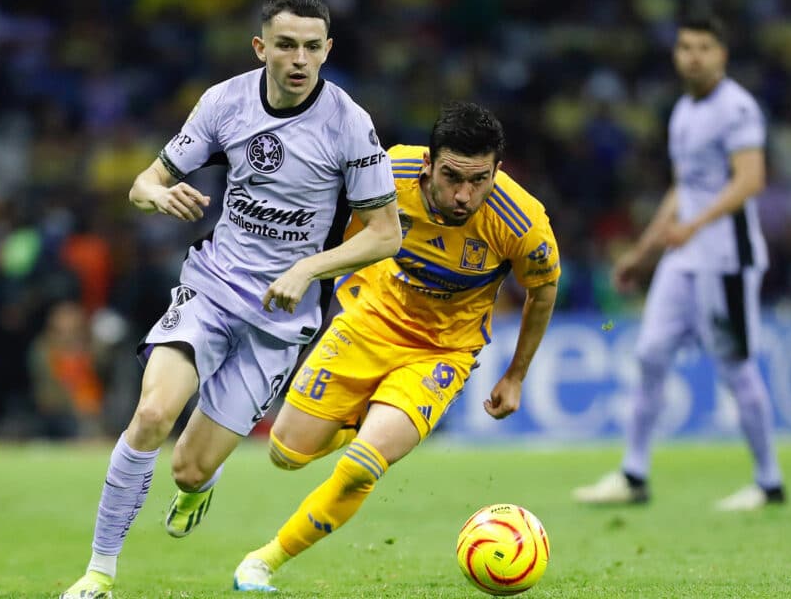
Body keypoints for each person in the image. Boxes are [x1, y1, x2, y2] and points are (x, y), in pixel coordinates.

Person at [61, 1, 402, 597]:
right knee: (151, 414)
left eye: (313, 47)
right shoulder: (225, 103)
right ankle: (99, 571)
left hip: (280, 319)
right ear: (260, 47)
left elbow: (386, 233)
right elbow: (146, 180)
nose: (300, 59)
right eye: (287, 44)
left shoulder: (349, 124)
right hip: (213, 288)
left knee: (188, 468)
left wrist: (309, 269)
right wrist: (157, 197)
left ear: (328, 49)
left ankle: (200, 484)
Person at [229, 101, 560, 592]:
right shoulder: (387, 172)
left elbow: (543, 288)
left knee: (362, 466)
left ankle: (263, 561)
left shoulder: (521, 222)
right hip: (370, 323)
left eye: (479, 180)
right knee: (284, 453)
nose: (464, 195)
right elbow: (332, 216)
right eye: (452, 177)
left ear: (498, 170)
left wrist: (515, 374)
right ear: (428, 163)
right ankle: (366, 424)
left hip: (441, 351)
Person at [572, 15, 785, 511]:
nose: (693, 55)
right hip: (684, 257)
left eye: (704, 47)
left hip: (727, 258)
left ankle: (769, 483)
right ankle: (634, 475)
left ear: (722, 54)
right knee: (649, 354)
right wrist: (642, 254)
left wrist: (697, 224)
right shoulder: (683, 111)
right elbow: (681, 190)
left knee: (735, 366)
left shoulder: (737, 108)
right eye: (685, 46)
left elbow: (750, 179)